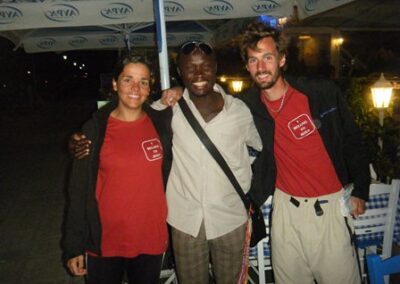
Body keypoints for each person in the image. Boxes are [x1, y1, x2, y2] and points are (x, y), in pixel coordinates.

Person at [69, 42, 264, 283]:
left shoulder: (237, 110)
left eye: (206, 66)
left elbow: (257, 148)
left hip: (226, 219)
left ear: (216, 68)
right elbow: (81, 186)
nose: (199, 74)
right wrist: (80, 138)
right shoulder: (164, 112)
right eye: (190, 68)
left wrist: (245, 183)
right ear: (180, 73)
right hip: (183, 221)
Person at [238, 22, 370, 284]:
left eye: (267, 57)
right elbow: (210, 101)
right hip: (286, 212)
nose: (261, 67)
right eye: (253, 60)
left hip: (330, 209)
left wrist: (360, 190)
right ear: (247, 66)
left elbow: (352, 140)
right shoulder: (247, 106)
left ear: (282, 59)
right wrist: (176, 94)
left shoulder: (320, 94)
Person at [62, 54, 173, 284]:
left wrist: (179, 89)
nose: (136, 87)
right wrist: (73, 246)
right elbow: (78, 190)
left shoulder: (162, 124)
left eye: (143, 81)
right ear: (114, 84)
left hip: (149, 237)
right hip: (105, 240)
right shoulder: (94, 130)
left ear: (150, 86)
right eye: (127, 79)